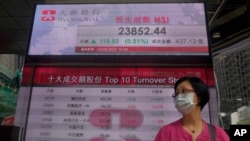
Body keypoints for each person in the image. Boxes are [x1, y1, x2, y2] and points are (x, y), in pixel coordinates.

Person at [154, 76, 229, 141]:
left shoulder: (218, 133)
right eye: (177, 93)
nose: (179, 96)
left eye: (184, 91)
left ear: (199, 97)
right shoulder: (166, 132)